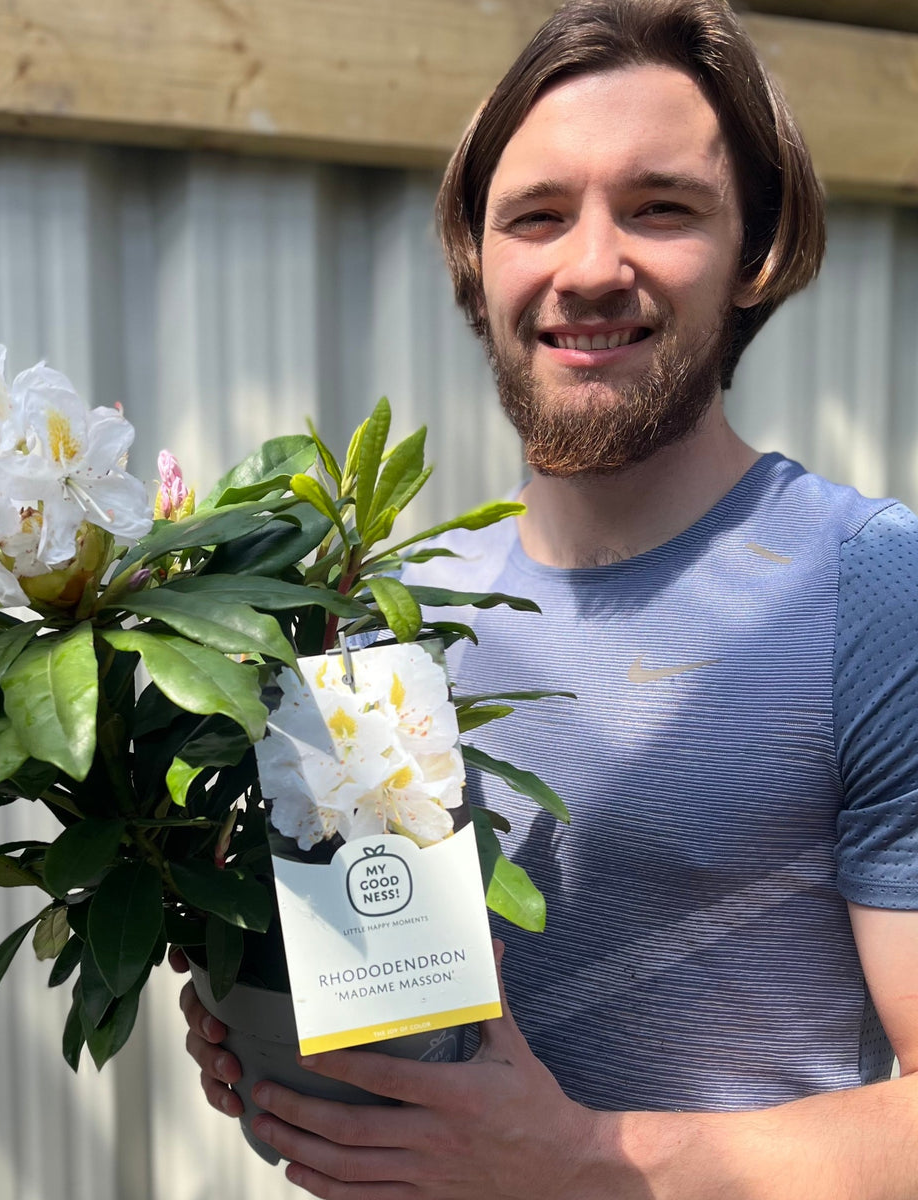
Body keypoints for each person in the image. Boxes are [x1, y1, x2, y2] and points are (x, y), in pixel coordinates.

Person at [172, 1, 918, 1194]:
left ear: (755, 255)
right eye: (537, 216)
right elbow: (407, 1011)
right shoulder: (386, 616)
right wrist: (278, 1027)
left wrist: (584, 1162)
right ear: (480, 261)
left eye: (662, 208)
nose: (590, 267)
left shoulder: (875, 586)